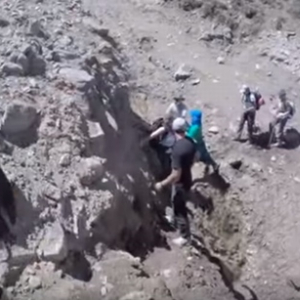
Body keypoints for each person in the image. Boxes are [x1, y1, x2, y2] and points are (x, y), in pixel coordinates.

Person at [154, 117, 196, 246]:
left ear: (174, 130)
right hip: (188, 177)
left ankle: (185, 237)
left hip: (181, 184)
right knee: (173, 200)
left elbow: (175, 175)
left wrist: (162, 184)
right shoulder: (191, 142)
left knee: (180, 209)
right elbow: (197, 156)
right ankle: (172, 219)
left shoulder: (177, 149)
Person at [186, 109, 219, 174]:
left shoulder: (195, 127)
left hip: (197, 145)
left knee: (202, 157)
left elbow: (189, 136)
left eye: (192, 116)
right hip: (200, 143)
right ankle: (212, 165)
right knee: (205, 156)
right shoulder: (197, 125)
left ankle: (213, 165)